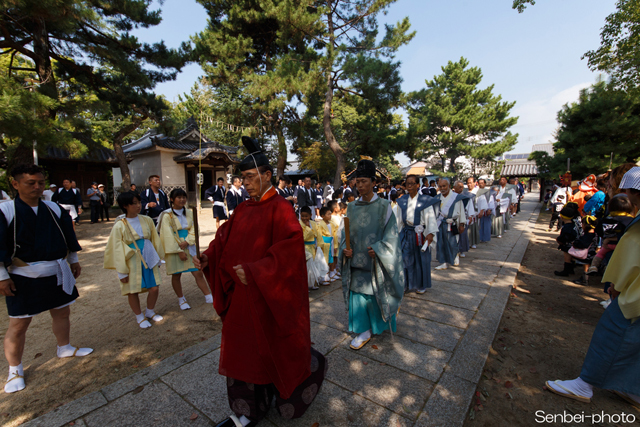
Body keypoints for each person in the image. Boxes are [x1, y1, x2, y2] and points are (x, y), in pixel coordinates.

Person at [196, 136, 325, 427]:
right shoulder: (243, 209)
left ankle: (274, 397)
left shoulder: (280, 209)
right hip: (241, 297)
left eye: (252, 177)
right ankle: (247, 410)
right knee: (242, 350)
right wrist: (208, 258)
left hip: (265, 294)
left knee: (266, 347)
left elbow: (290, 249)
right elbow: (224, 238)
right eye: (243, 177)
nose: (247, 183)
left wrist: (258, 270)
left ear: (267, 175)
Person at [545, 167, 640, 409]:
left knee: (612, 332)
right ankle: (632, 387)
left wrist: (617, 284)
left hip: (635, 292)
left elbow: (632, 257)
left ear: (631, 191)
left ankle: (585, 383)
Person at [0, 165, 92, 394]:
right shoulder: (6, 210)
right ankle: (14, 370)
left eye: (40, 182)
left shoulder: (53, 208)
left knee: (62, 311)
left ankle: (64, 347)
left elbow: (68, 236)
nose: (37, 187)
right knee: (19, 322)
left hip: (57, 268)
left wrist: (74, 259)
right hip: (23, 274)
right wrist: (2, 277)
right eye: (30, 182)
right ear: (15, 184)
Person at [339, 159, 404, 350]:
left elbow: (392, 237)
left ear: (373, 182)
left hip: (376, 263)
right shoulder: (351, 207)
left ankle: (379, 324)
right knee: (358, 295)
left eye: (364, 181)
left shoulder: (384, 207)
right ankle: (363, 329)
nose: (359, 186)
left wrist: (379, 249)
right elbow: (345, 235)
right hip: (356, 263)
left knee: (375, 294)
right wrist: (345, 249)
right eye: (357, 182)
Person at [104, 191, 164, 329]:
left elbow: (154, 238)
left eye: (139, 202)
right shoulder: (120, 225)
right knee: (133, 289)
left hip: (148, 255)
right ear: (125, 206)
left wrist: (157, 258)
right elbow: (117, 247)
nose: (138, 206)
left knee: (154, 287)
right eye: (134, 203)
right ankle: (139, 316)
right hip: (131, 258)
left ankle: (150, 311)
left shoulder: (147, 220)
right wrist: (121, 271)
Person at [157, 188, 212, 310]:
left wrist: (188, 241)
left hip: (189, 244)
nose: (182, 199)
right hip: (175, 247)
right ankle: (181, 299)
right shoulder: (167, 215)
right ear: (172, 199)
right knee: (176, 274)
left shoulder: (189, 212)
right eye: (178, 197)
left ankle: (208, 295)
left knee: (197, 271)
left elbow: (194, 228)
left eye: (183, 197)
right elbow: (167, 234)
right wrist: (179, 250)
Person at [396, 174, 438, 294]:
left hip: (420, 234)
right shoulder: (402, 201)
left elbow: (430, 218)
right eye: (407, 183)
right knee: (404, 259)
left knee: (421, 260)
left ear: (418, 185)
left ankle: (420, 285)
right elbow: (398, 219)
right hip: (406, 233)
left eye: (412, 183)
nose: (409, 186)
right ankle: (405, 284)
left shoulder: (424, 201)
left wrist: (430, 234)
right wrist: (397, 233)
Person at [587, 194, 635, 275]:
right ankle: (607, 269)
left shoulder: (605, 220)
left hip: (607, 245)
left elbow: (598, 231)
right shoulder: (630, 220)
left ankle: (594, 266)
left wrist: (606, 238)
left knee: (600, 254)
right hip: (622, 246)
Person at [434, 179, 467, 270]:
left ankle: (455, 256)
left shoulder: (456, 198)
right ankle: (443, 262)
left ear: (449, 186)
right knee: (441, 243)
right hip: (441, 223)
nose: (442, 188)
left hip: (452, 223)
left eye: (444, 186)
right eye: (440, 186)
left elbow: (461, 211)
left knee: (453, 242)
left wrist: (462, 224)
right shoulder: (437, 198)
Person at [300, 206, 328, 290]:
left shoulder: (314, 224)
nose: (304, 218)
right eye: (302, 216)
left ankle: (312, 283)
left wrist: (319, 246)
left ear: (310, 215)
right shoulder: (299, 224)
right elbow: (303, 237)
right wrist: (308, 228)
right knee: (305, 267)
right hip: (304, 248)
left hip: (313, 247)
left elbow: (318, 235)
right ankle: (304, 286)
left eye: (306, 216)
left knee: (314, 265)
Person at [553, 202, 583, 277]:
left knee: (567, 258)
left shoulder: (567, 227)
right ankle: (571, 269)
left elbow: (565, 236)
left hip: (567, 244)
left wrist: (559, 240)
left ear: (562, 217)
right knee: (571, 257)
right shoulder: (574, 223)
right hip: (574, 242)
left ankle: (566, 271)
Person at [453, 181, 475, 258]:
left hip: (463, 218)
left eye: (462, 187)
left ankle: (461, 250)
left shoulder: (466, 198)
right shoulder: (451, 197)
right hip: (453, 219)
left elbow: (470, 207)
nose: (461, 188)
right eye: (459, 187)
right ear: (454, 187)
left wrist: (470, 216)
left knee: (463, 235)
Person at [317, 206, 337, 284]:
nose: (330, 216)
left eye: (330, 214)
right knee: (324, 260)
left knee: (330, 259)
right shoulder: (320, 224)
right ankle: (323, 277)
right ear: (322, 216)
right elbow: (319, 235)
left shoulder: (332, 224)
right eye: (328, 214)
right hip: (324, 244)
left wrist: (335, 246)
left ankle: (328, 275)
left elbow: (334, 235)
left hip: (331, 242)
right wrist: (320, 245)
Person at [466, 177, 480, 249]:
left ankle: (473, 242)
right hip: (466, 213)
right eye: (468, 183)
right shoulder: (465, 192)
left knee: (473, 229)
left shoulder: (477, 192)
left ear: (474, 183)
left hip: (474, 211)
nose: (469, 184)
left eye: (471, 183)